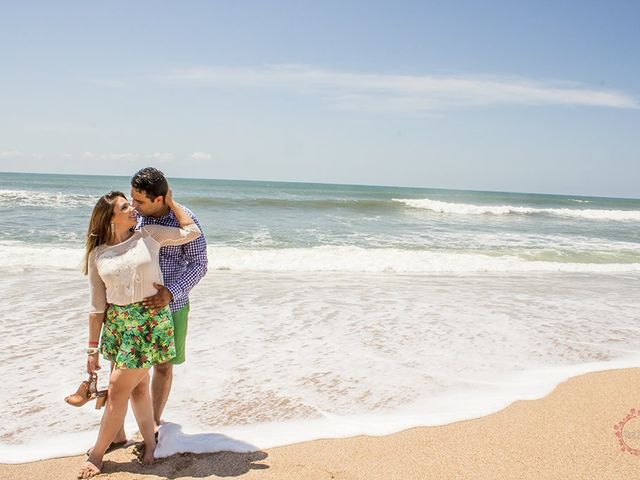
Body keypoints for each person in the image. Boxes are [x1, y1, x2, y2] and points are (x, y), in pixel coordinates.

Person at [77, 189, 202, 479]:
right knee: (137, 389)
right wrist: (92, 350)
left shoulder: (149, 235)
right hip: (118, 324)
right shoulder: (98, 254)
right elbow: (97, 307)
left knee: (119, 386)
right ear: (110, 218)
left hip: (148, 322)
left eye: (132, 204)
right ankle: (150, 443)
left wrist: (170, 201)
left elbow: (191, 232)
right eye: (125, 207)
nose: (134, 208)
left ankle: (96, 455)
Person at [129, 167, 208, 427]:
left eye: (140, 201)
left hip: (173, 306)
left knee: (163, 367)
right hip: (135, 306)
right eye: (132, 198)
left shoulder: (186, 220)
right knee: (129, 368)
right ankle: (120, 427)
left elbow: (199, 264)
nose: (134, 205)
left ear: (159, 199)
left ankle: (152, 423)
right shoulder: (135, 217)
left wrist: (171, 293)